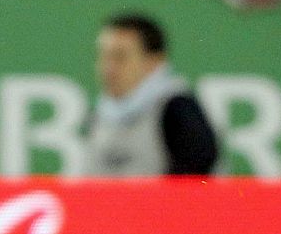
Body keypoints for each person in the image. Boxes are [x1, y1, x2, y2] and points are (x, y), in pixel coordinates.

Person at [77, 14, 218, 177]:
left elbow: (193, 178)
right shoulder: (98, 115)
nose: (108, 68)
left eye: (120, 57)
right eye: (104, 56)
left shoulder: (177, 110)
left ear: (154, 62)